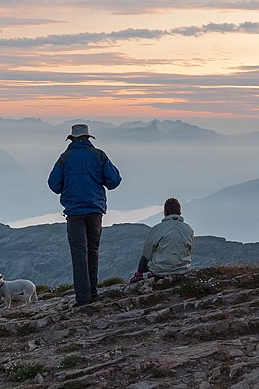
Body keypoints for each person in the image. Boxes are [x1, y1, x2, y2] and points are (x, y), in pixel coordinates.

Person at [48, 124, 122, 307]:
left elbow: (54, 185)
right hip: (95, 209)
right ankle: (93, 292)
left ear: (71, 139)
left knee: (79, 254)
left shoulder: (65, 158)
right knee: (93, 251)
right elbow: (114, 181)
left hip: (74, 212)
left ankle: (83, 297)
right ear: (88, 138)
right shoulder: (99, 155)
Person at [130, 198, 195, 283]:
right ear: (180, 213)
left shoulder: (157, 229)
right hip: (183, 269)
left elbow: (147, 253)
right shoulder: (189, 229)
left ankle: (139, 275)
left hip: (160, 270)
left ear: (165, 212)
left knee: (146, 255)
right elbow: (191, 250)